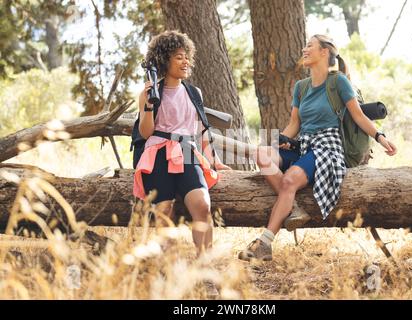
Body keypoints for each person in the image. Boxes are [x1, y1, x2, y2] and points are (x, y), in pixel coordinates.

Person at [238, 34, 397, 261]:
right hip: (304, 145)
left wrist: (381, 138)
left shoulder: (338, 82)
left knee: (290, 179)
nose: (304, 50)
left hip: (328, 148)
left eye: (309, 46)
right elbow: (295, 125)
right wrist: (278, 141)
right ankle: (293, 208)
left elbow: (359, 116)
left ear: (324, 52)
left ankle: (264, 242)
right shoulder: (301, 87)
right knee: (263, 155)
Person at [133, 30, 231, 257]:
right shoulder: (149, 93)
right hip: (157, 153)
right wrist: (147, 105)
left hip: (187, 151)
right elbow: (146, 132)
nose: (185, 61)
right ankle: (168, 267)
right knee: (164, 211)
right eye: (179, 57)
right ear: (163, 60)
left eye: (187, 56)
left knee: (202, 205)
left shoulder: (193, 92)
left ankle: (204, 264)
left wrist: (215, 161)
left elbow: (202, 130)